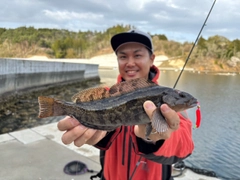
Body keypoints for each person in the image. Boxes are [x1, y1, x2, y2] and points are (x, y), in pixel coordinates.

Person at [57, 29, 194, 180]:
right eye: (123, 56)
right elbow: (99, 131)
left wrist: (156, 139)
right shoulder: (106, 95)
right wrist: (98, 135)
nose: (130, 63)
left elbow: (185, 145)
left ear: (152, 59)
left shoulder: (171, 107)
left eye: (137, 55)